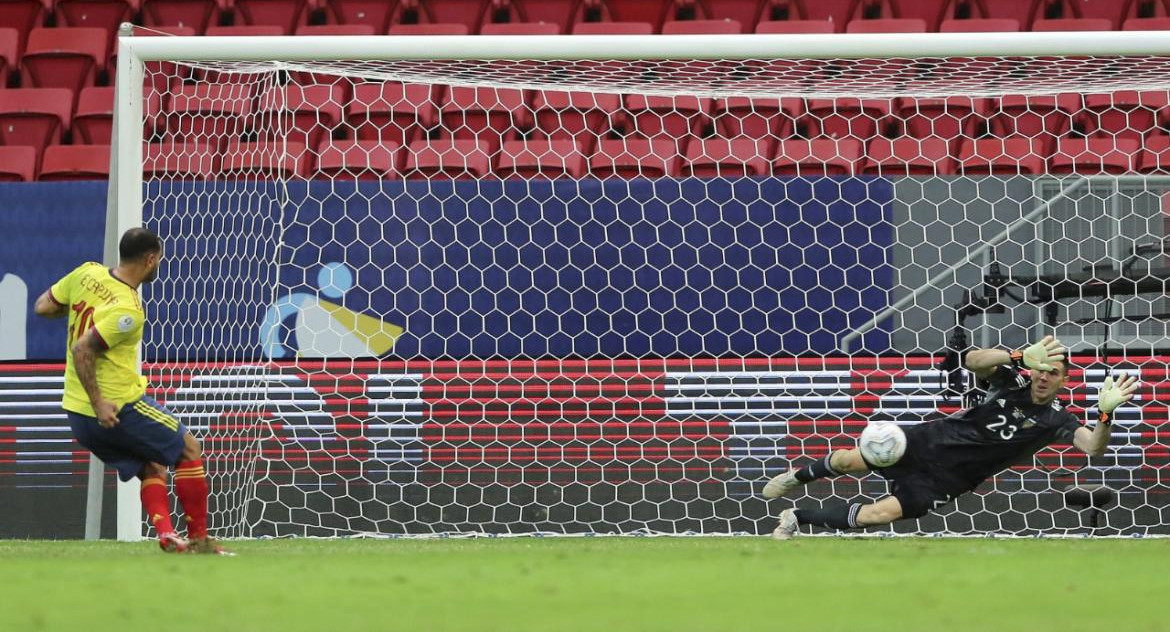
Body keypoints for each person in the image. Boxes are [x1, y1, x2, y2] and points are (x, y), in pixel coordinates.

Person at [763, 335, 1138, 539]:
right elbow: (973, 360)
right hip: (925, 443)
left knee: (878, 515)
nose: (1044, 376)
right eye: (1042, 369)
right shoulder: (1010, 382)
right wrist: (1018, 355)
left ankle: (797, 517)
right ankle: (795, 478)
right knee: (849, 460)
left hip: (950, 479)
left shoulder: (1058, 420)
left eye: (1053, 373)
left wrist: (1105, 415)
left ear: (1063, 381)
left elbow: (1093, 446)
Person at [33, 228, 230, 555]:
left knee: (152, 466)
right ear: (150, 259)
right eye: (159, 260)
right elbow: (83, 350)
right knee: (189, 449)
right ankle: (200, 541)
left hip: (77, 415)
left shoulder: (87, 272)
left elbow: (43, 306)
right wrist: (100, 403)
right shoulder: (128, 310)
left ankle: (168, 535)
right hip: (115, 408)